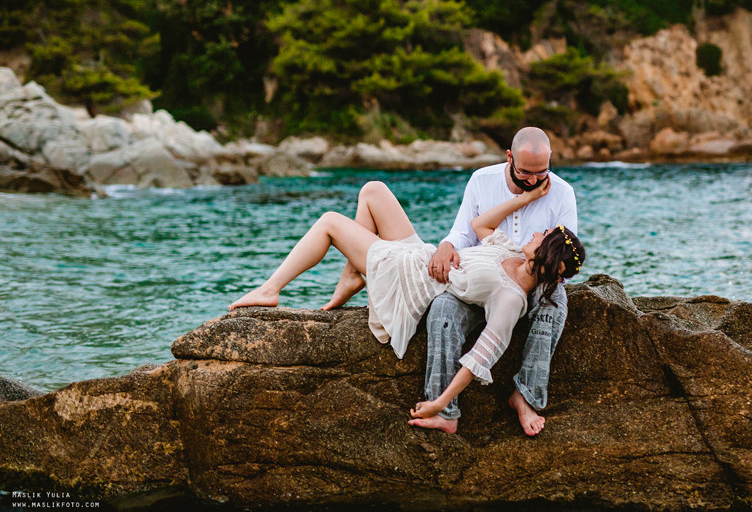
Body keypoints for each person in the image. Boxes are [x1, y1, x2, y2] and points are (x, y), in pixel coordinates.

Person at [227, 178, 585, 427]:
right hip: (423, 256)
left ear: (545, 254)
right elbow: (478, 224)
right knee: (373, 191)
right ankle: (353, 274)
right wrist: (524, 199)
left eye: (544, 234)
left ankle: (271, 288)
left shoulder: (510, 299)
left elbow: (479, 360)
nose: (537, 231)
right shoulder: (511, 251)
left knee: (330, 223)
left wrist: (442, 406)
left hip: (411, 280)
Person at [415, 127, 577, 436]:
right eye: (525, 172)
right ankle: (443, 409)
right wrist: (446, 246)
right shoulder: (481, 180)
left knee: (555, 299)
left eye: (541, 172)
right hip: (482, 278)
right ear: (509, 157)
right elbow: (464, 231)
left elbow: (562, 254)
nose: (533, 180)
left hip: (528, 287)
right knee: (442, 309)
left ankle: (526, 395)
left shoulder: (562, 192)